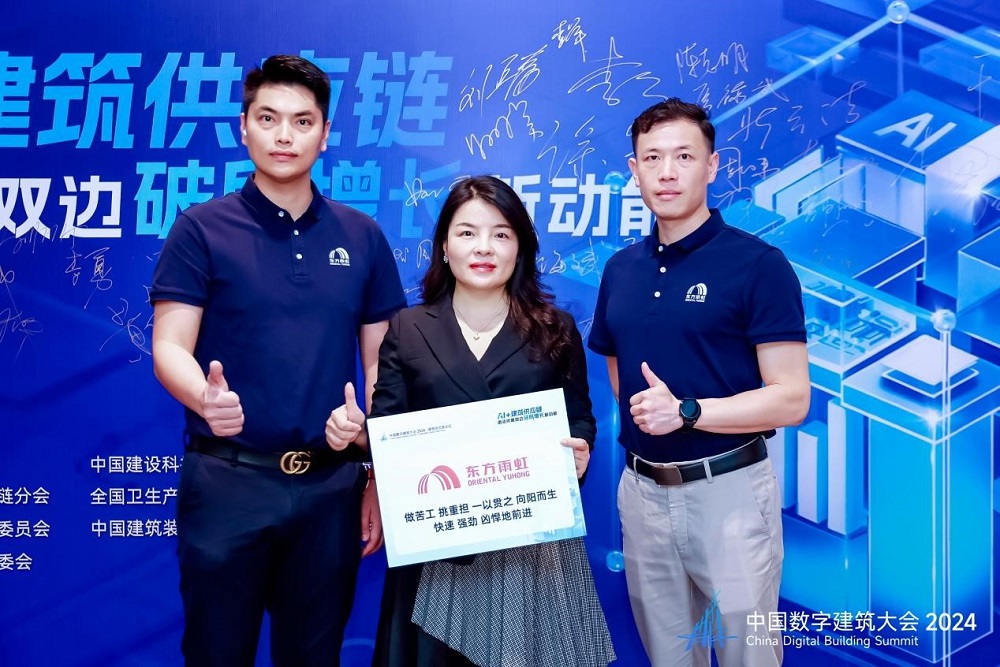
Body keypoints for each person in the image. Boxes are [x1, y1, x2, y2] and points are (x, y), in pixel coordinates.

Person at [149, 54, 406, 666]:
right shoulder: (201, 229)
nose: (284, 135)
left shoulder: (362, 235)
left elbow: (383, 366)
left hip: (330, 489)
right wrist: (203, 397)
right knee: (216, 654)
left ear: (325, 133)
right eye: (268, 119)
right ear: (244, 127)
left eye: (302, 121)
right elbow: (169, 346)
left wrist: (373, 456)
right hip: (228, 482)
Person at [327, 175, 615, 667]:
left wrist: (579, 453)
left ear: (520, 248)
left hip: (528, 547)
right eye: (467, 233)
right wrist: (355, 436)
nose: (484, 247)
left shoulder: (555, 328)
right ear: (444, 246)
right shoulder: (408, 329)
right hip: (438, 544)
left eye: (501, 234)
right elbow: (389, 429)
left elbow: (579, 419)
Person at [588, 99, 811, 667]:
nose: (667, 172)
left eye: (684, 157)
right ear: (633, 170)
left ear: (712, 165)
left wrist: (687, 412)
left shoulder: (758, 265)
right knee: (668, 658)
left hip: (729, 494)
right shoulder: (620, 270)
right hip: (642, 496)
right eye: (652, 158)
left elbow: (792, 398)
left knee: (747, 658)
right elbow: (618, 370)